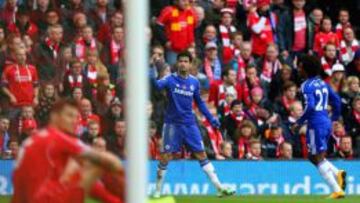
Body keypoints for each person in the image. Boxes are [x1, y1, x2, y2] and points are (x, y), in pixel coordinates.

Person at [150, 51, 235, 198]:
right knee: (165, 157)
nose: (183, 63)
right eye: (180, 61)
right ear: (177, 63)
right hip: (172, 125)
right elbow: (157, 86)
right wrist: (152, 69)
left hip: (190, 124)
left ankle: (219, 187)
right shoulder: (170, 79)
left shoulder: (194, 82)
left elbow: (200, 103)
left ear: (190, 64)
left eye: (185, 61)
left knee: (201, 154)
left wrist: (211, 118)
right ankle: (157, 190)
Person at [11, 99, 123, 203]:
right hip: (42, 199)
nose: (74, 121)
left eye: (76, 117)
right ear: (54, 117)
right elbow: (109, 160)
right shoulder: (57, 137)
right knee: (96, 165)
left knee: (78, 167)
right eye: (69, 116)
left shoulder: (40, 137)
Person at [296, 55, 345, 199]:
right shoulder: (323, 83)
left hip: (315, 124)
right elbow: (336, 101)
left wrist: (299, 122)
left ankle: (337, 190)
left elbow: (310, 106)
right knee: (313, 156)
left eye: (300, 66)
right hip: (326, 122)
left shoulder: (306, 85)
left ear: (305, 69)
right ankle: (337, 174)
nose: (299, 69)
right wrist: (334, 118)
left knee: (316, 156)